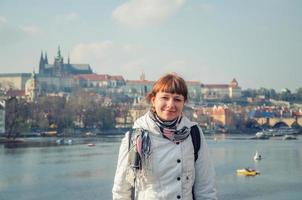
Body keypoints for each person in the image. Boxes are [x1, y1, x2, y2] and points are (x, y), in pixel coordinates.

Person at [112, 73, 217, 200]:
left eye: (177, 99)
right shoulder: (134, 138)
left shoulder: (194, 134)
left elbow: (205, 189)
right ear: (153, 100)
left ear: (184, 103)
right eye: (165, 98)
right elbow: (121, 192)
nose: (171, 104)